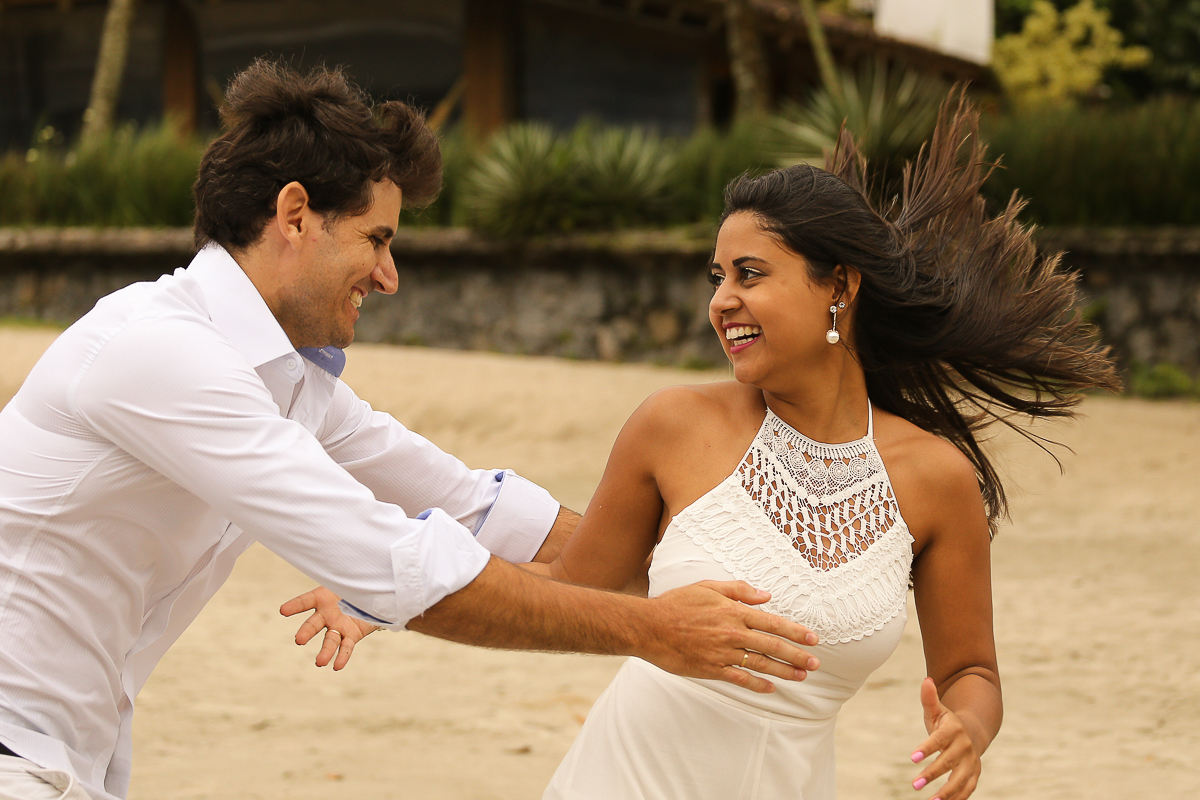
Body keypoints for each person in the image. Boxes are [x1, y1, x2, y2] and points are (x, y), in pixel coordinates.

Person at [0, 60, 823, 800]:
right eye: (377, 239)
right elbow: (392, 564)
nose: (389, 276)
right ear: (295, 215)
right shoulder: (162, 354)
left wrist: (703, 570)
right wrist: (657, 630)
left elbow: (473, 506)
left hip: (66, 760)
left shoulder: (288, 377)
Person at [519, 96, 1119, 799]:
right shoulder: (673, 425)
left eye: (749, 273)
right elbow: (570, 594)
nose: (721, 300)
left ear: (840, 284)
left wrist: (968, 729)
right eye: (718, 278)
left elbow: (971, 673)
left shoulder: (935, 477)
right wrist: (427, 564)